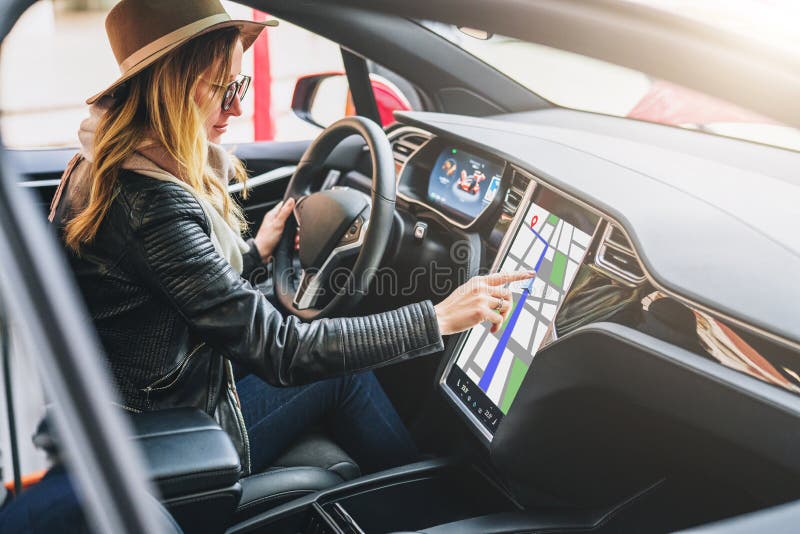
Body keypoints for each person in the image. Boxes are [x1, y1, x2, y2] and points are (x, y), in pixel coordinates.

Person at [48, 0, 533, 476]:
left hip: (136, 406)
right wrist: (438, 318)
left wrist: (257, 251)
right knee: (345, 376)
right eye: (223, 88)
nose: (237, 107)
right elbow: (283, 351)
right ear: (173, 89)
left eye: (241, 84)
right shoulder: (152, 205)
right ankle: (430, 508)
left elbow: (182, 290)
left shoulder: (99, 164)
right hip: (174, 434)